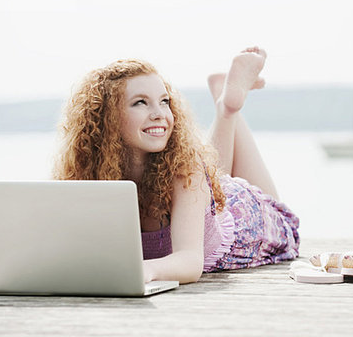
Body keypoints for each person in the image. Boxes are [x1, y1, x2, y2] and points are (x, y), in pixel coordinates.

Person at [53, 47, 300, 284]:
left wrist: (144, 269)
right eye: (140, 102)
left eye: (164, 101)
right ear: (106, 117)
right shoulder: (90, 173)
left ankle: (228, 108)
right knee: (210, 175)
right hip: (208, 199)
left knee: (273, 213)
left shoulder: (185, 167)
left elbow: (191, 263)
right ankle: (224, 102)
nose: (160, 113)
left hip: (247, 220)